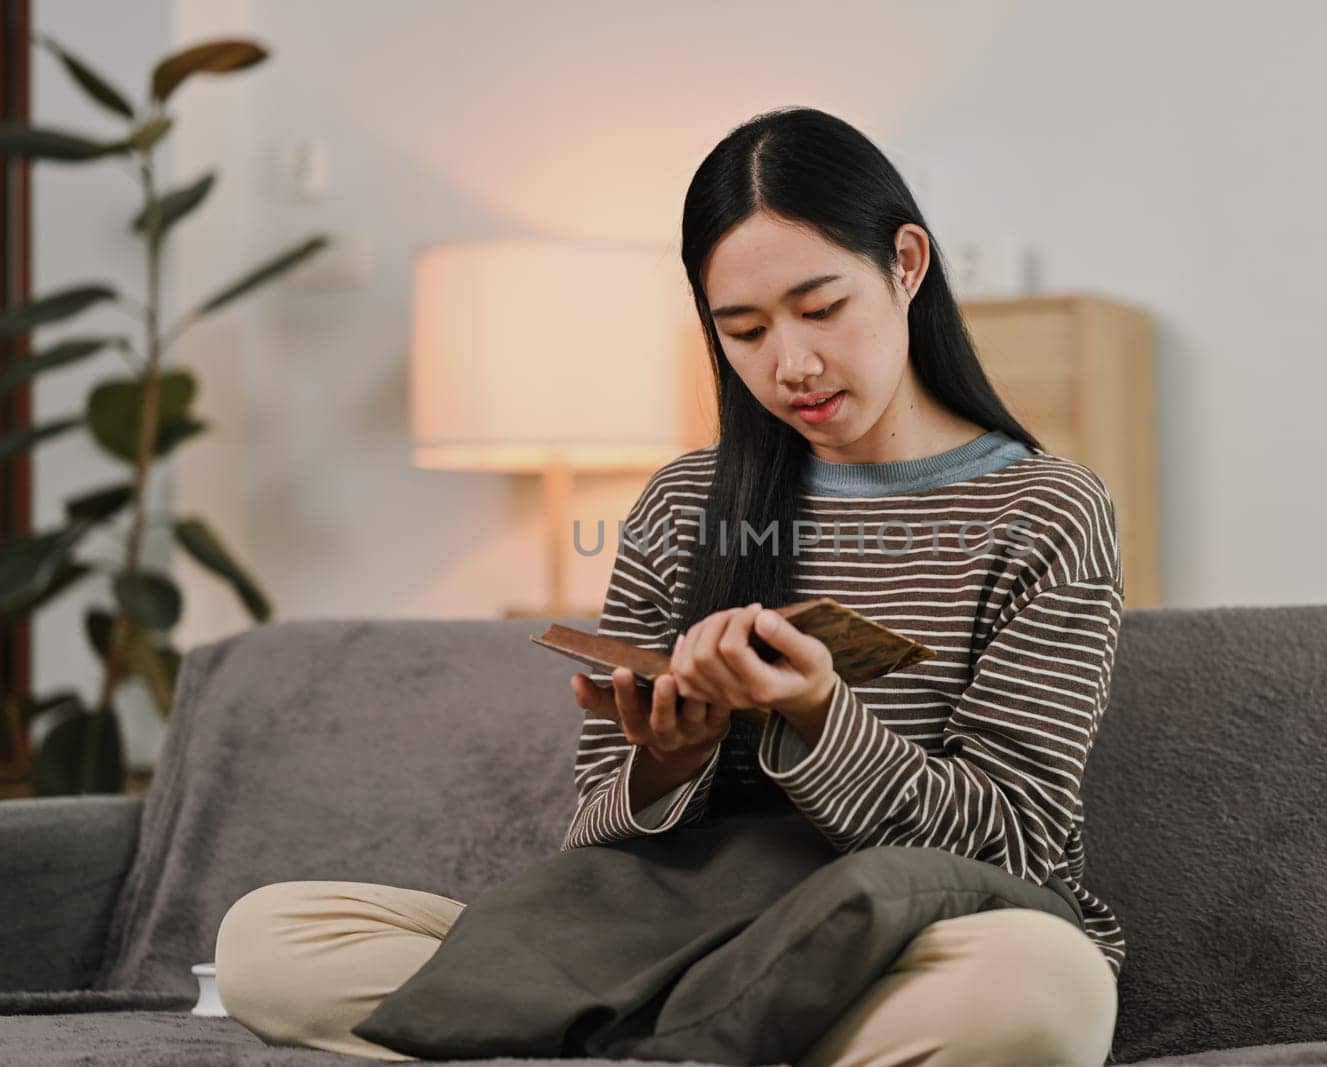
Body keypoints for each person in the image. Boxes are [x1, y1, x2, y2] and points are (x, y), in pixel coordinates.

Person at [215, 105, 1125, 1067]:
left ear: (905, 263)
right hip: (675, 938)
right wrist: (667, 760)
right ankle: (704, 1038)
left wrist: (818, 715)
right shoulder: (686, 500)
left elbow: (1017, 844)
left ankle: (590, 1041)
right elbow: (595, 832)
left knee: (1041, 988)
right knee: (270, 941)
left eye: (821, 309)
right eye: (744, 330)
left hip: (901, 939)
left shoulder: (1047, 511)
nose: (793, 364)